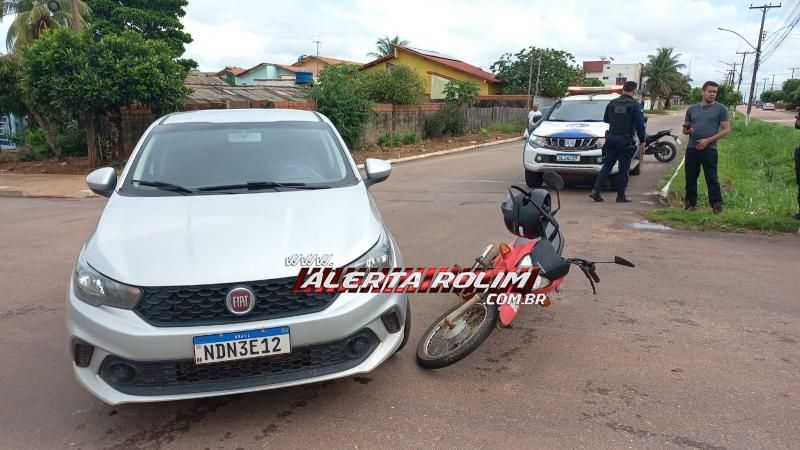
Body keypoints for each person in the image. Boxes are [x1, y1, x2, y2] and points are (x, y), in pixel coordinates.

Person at [589, 81, 646, 203]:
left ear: (623, 90)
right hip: (625, 140)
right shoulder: (634, 105)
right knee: (624, 167)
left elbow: (606, 119)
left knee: (607, 166)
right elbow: (640, 125)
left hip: (611, 138)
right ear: (634, 91)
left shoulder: (612, 103)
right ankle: (621, 196)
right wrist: (642, 140)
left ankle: (596, 191)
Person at [682, 81, 731, 214]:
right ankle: (690, 204)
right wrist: (687, 131)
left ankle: (716, 206)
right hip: (692, 148)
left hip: (710, 149)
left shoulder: (721, 109)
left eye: (715, 92)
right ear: (702, 92)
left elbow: (726, 129)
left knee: (711, 177)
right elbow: (685, 129)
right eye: (710, 91)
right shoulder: (692, 109)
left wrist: (708, 141)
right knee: (690, 177)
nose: (712, 94)